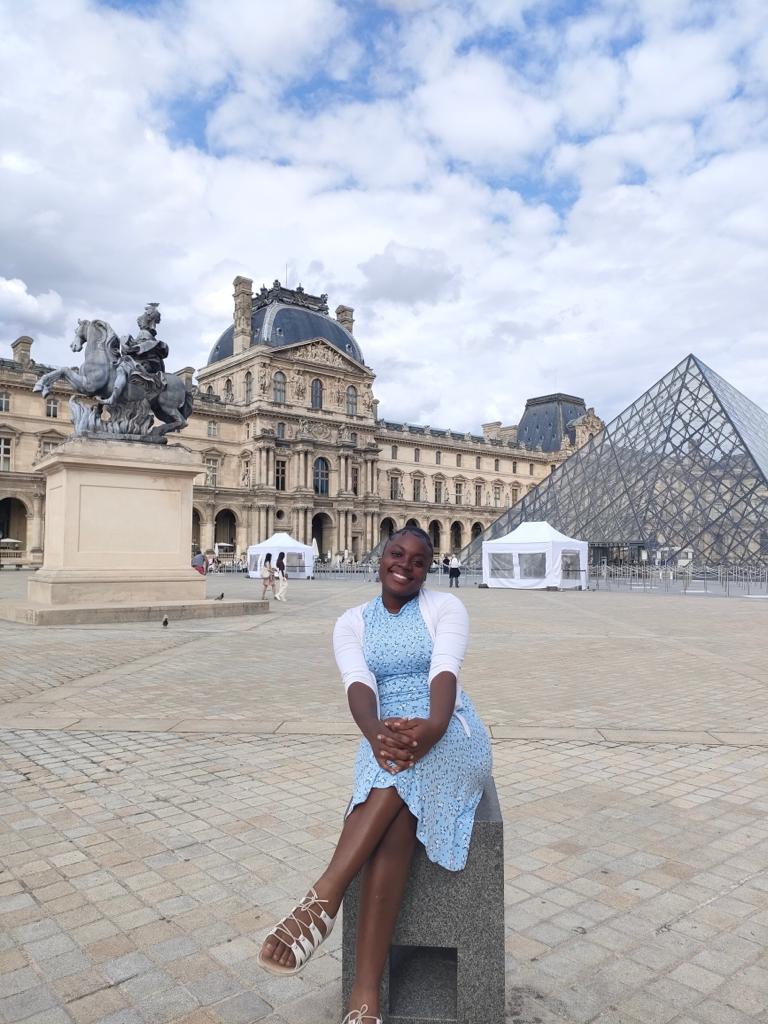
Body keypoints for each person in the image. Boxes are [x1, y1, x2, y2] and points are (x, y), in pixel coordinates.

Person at [257, 526, 492, 1024]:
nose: (405, 565)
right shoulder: (351, 622)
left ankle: (324, 899)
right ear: (381, 557)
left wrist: (430, 730)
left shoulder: (446, 607)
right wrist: (376, 735)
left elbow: (444, 672)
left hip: (449, 725)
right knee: (395, 814)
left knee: (397, 777)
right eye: (396, 553)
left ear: (428, 569)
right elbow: (358, 683)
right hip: (382, 728)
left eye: (419, 560)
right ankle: (364, 995)